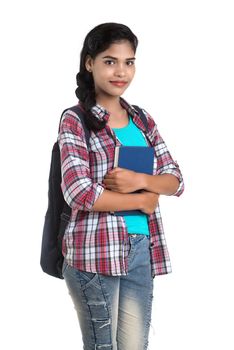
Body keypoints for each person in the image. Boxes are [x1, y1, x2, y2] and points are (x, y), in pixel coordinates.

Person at [58, 22, 184, 350]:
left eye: (129, 62)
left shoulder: (142, 119)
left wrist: (140, 181)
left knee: (134, 347)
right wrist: (140, 201)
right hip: (94, 252)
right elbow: (78, 190)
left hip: (141, 248)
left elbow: (175, 179)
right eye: (110, 61)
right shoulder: (76, 119)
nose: (121, 72)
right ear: (90, 62)